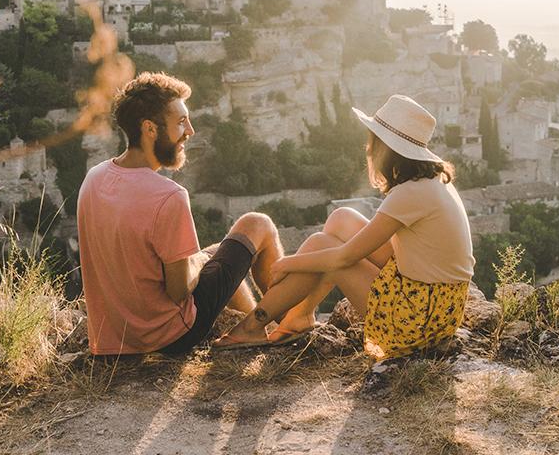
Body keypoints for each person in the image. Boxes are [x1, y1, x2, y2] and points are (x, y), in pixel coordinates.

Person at [214, 94, 474, 359]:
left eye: (373, 138)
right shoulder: (432, 182)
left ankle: (254, 325)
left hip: (418, 321)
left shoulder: (410, 193)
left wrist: (285, 264)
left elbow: (344, 256)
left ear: (385, 148)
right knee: (342, 218)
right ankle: (298, 317)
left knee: (324, 246)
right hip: (440, 305)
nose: (367, 147)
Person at [77, 72, 283, 355]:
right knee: (257, 224)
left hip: (115, 340)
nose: (191, 131)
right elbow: (179, 290)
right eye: (181, 122)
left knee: (216, 257)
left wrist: (199, 259)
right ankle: (289, 326)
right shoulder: (169, 196)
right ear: (150, 129)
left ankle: (257, 330)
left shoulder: (93, 179)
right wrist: (197, 260)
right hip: (168, 336)